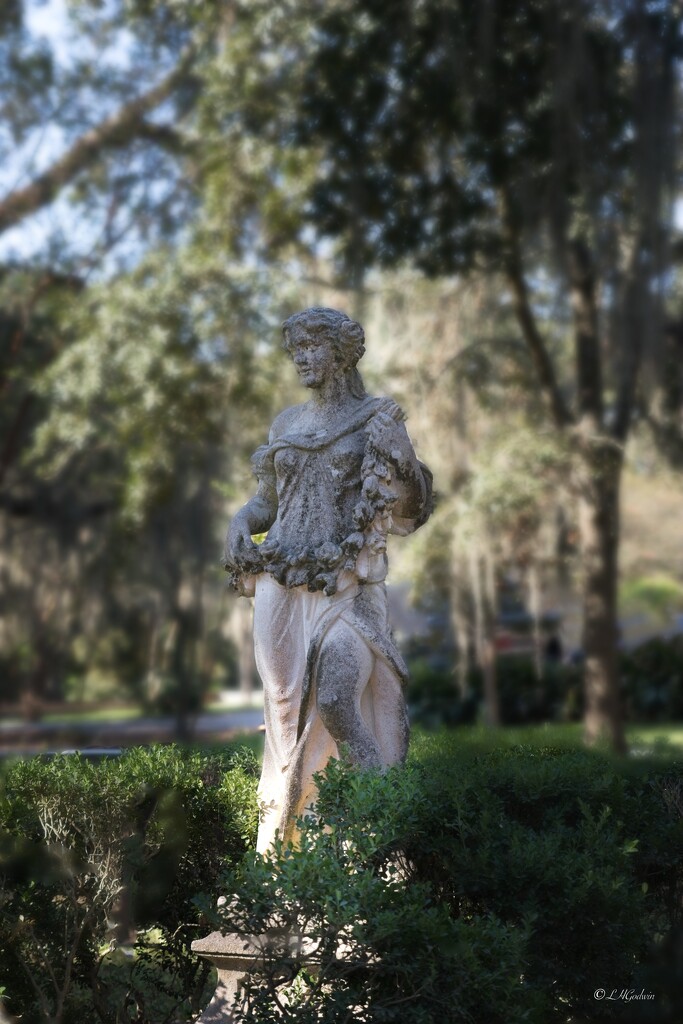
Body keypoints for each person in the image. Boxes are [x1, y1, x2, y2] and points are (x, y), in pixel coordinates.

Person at [224, 307, 432, 851]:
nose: (303, 359)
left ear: (342, 352)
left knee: (338, 698)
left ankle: (376, 834)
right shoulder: (286, 424)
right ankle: (285, 848)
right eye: (296, 350)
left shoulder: (376, 419)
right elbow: (266, 504)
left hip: (347, 585)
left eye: (313, 347)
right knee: (286, 710)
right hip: (282, 586)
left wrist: (405, 461)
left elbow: (410, 505)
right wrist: (241, 521)